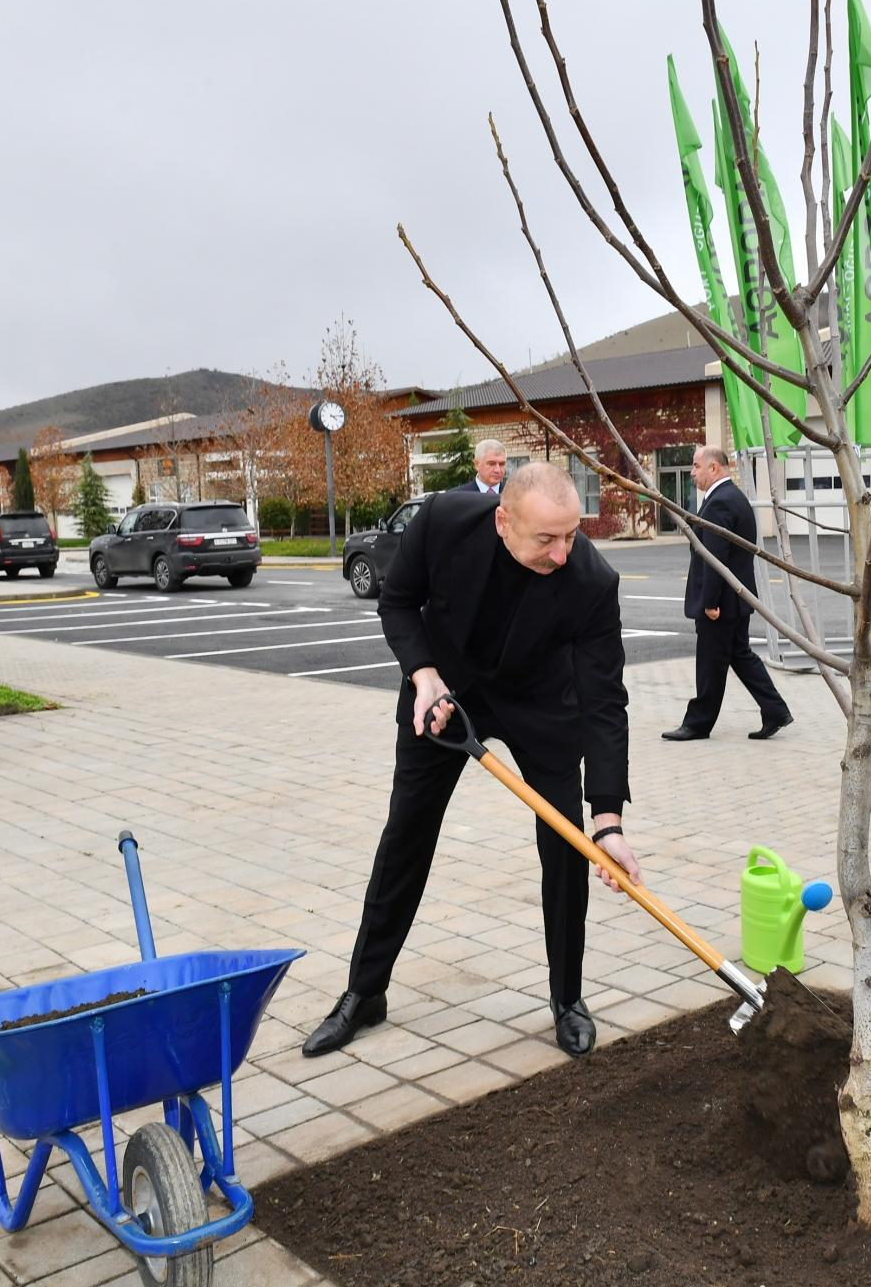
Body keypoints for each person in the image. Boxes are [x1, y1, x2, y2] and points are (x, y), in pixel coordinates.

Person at [302, 462, 642, 1060]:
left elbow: (604, 702)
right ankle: (364, 991)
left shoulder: (591, 579)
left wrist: (608, 819)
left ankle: (568, 998)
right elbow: (399, 601)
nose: (563, 553)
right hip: (445, 696)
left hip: (541, 705)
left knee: (564, 845)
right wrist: (423, 675)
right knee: (406, 833)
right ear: (502, 520)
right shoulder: (442, 522)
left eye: (571, 535)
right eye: (547, 539)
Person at [662, 446, 792, 742]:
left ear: (714, 468)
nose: (692, 472)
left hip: (721, 603)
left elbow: (714, 557)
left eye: (696, 466)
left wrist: (709, 602)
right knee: (739, 655)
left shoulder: (721, 502)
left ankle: (697, 723)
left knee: (710, 662)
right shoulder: (732, 497)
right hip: (735, 598)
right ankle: (775, 710)